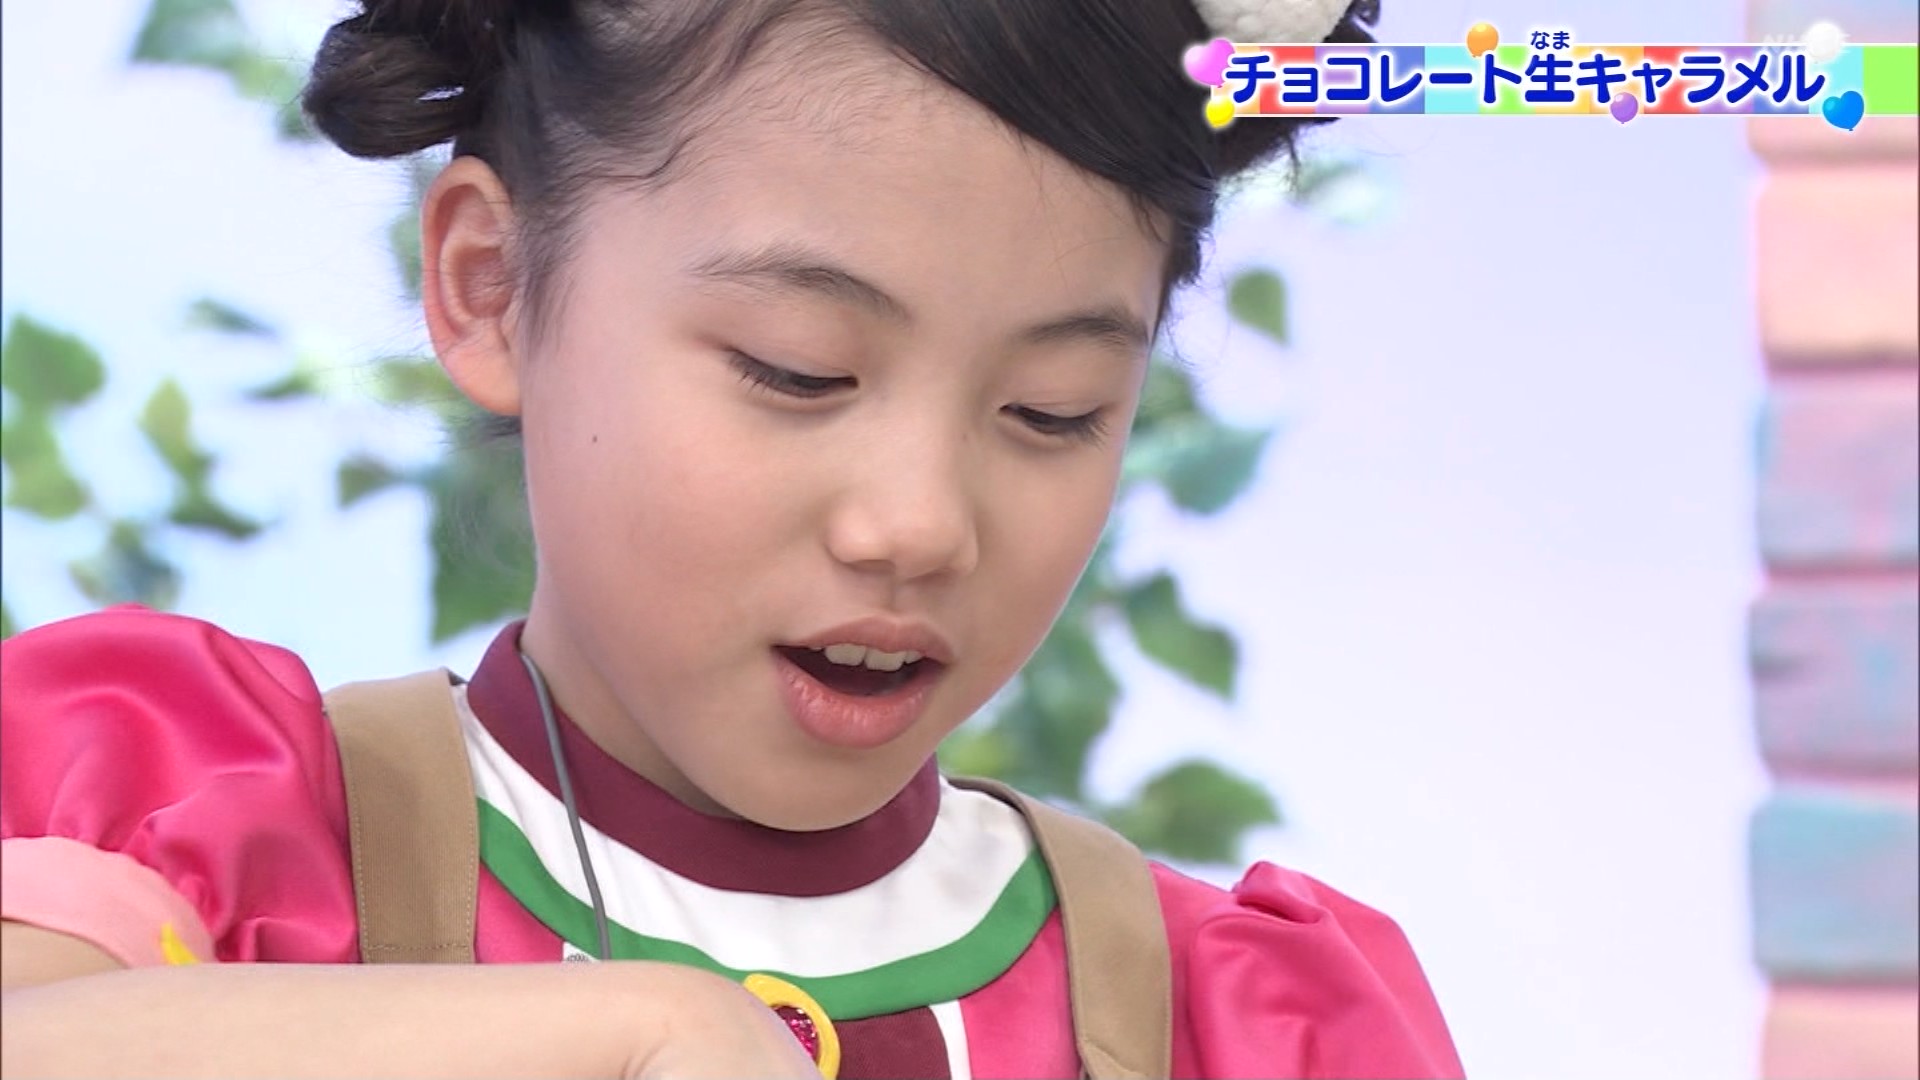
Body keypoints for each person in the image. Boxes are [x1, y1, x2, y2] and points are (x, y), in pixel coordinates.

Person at [1, 0, 1465, 1076]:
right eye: (797, 371)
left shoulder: (1241, 1023)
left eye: (1052, 410)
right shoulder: (196, 826)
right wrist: (645, 1029)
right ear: (491, 284)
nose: (918, 526)